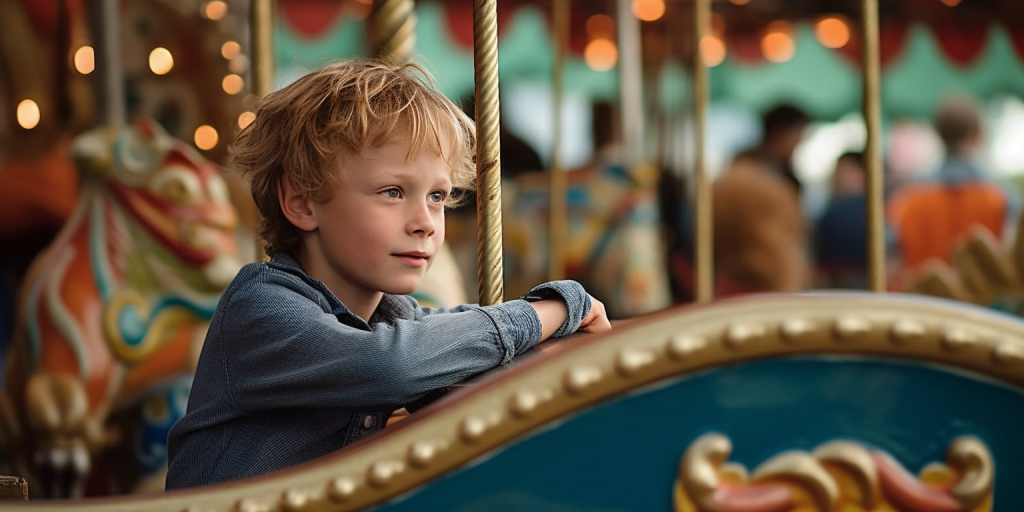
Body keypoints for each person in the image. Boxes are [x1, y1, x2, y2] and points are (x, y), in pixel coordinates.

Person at [165, 60, 611, 489]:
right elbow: (389, 365)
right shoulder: (262, 307)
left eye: (437, 196)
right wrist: (550, 310)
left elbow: (465, 354)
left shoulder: (392, 315)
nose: (426, 222)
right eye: (393, 192)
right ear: (302, 203)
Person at [887, 95, 1020, 276]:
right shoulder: (1002, 197)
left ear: (938, 132)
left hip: (922, 292)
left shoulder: (907, 198)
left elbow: (891, 262)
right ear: (977, 132)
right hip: (983, 294)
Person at [711, 104, 812, 294]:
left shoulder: (736, 171)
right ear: (782, 133)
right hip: (763, 283)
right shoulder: (763, 181)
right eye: (799, 136)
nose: (800, 144)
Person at [815, 152, 869, 288]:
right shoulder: (832, 209)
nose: (836, 177)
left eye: (845, 172)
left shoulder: (838, 212)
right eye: (837, 172)